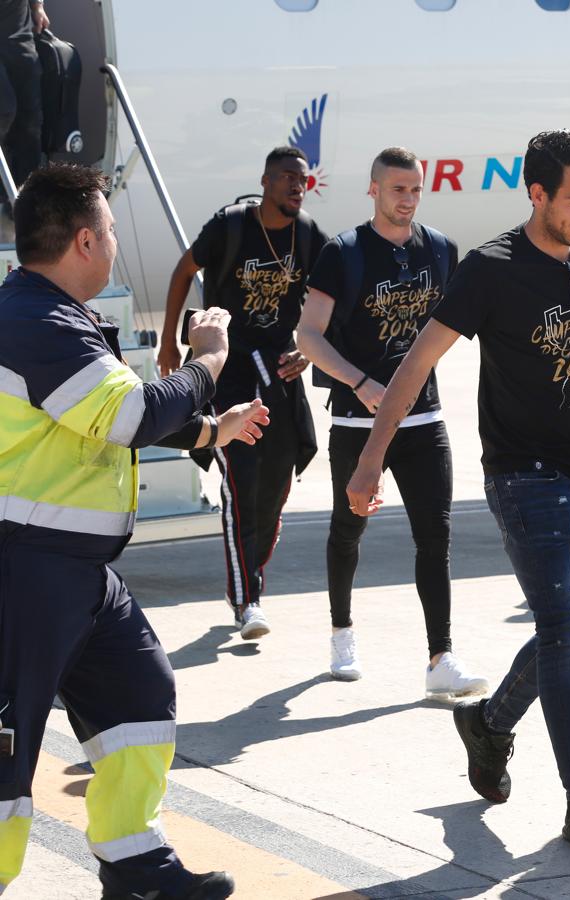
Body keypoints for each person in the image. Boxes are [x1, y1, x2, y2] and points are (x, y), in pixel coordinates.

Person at [344, 130, 570, 855]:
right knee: (566, 628)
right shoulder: (491, 268)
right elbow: (416, 364)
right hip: (521, 476)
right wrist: (371, 457)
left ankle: (488, 724)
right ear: (536, 193)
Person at [0, 163, 270, 900]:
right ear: (85, 240)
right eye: (112, 229)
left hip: (76, 568)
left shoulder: (52, 316)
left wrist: (210, 430)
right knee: (8, 750)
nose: (116, 241)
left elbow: (98, 417)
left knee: (139, 695)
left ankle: (137, 868)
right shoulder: (34, 321)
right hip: (25, 566)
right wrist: (211, 359)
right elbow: (129, 416)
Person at [297, 146, 487, 697]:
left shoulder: (442, 250)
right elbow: (308, 335)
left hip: (425, 420)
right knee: (347, 531)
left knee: (436, 538)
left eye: (415, 189)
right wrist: (359, 381)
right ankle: (341, 632)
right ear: (374, 189)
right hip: (358, 424)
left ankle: (440, 657)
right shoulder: (344, 252)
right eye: (397, 188)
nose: (407, 199)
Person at [159, 146, 326, 641]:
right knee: (240, 481)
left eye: (303, 179)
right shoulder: (230, 226)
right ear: (266, 181)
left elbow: (325, 299)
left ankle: (252, 578)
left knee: (275, 486)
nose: (297, 186)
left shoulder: (309, 234)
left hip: (278, 370)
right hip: (228, 367)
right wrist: (170, 340)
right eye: (287, 178)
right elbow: (183, 271)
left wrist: (309, 350)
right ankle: (247, 599)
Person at [0, 0, 46, 191]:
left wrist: (37, 7)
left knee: (30, 119)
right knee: (5, 109)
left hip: (18, 32)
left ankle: (29, 198)